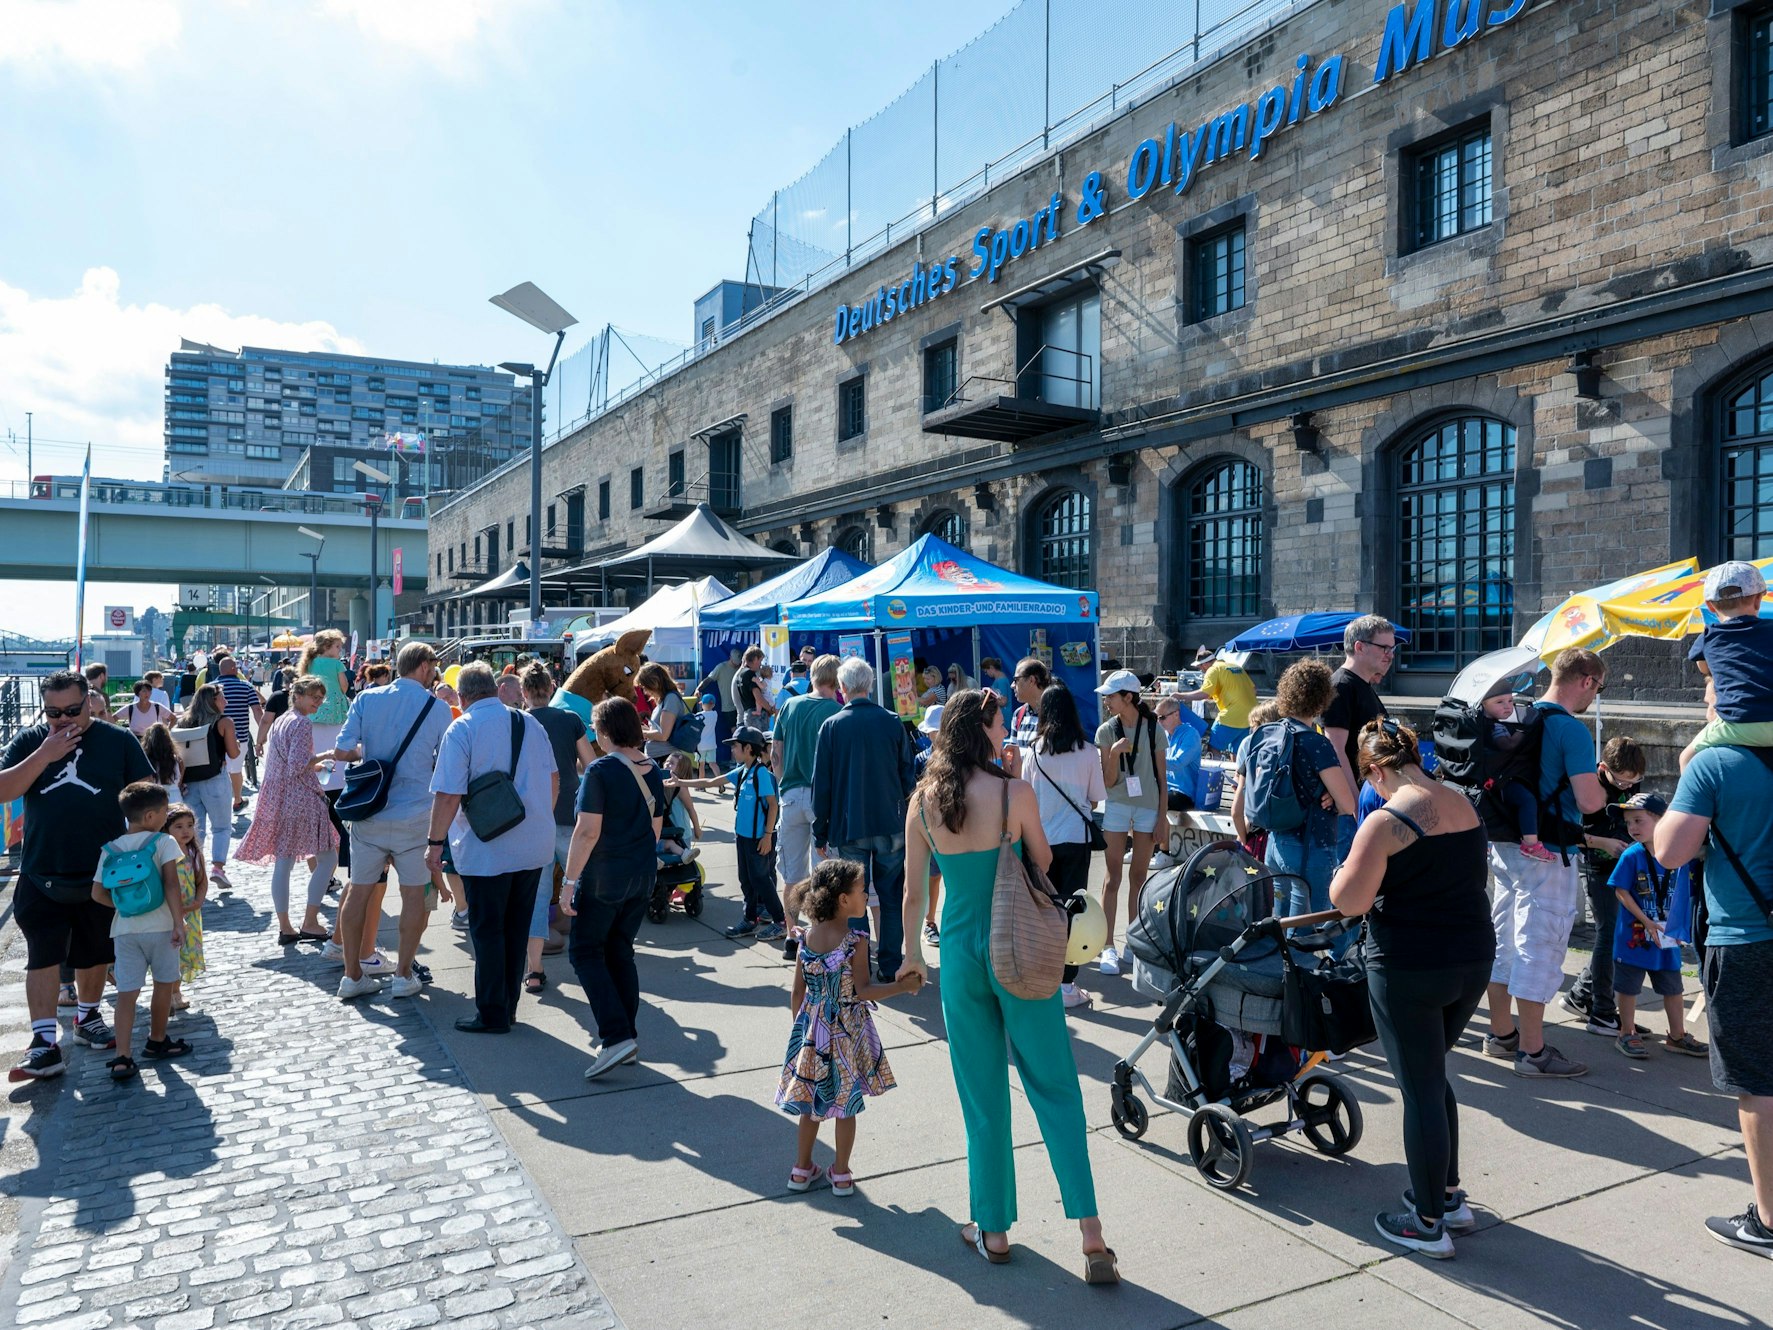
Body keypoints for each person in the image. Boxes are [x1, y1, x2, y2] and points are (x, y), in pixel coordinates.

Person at [900, 688, 1116, 1282]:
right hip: (1017, 946)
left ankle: (992, 1228)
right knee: (1054, 1085)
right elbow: (1042, 862)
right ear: (985, 732)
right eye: (1000, 725)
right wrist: (1012, 793)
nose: (1007, 733)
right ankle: (1091, 1233)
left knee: (982, 1095)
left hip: (961, 954)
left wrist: (909, 955)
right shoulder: (1012, 791)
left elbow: (915, 894)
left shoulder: (923, 802)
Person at [1328, 718, 1493, 1259]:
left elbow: (1348, 901)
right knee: (1432, 1074)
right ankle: (1446, 1196)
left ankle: (1427, 1221)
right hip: (1470, 956)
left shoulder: (1384, 820)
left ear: (1375, 769)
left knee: (1420, 1087)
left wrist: (1342, 872)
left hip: (1409, 964)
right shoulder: (1462, 802)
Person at [1654, 733, 1773, 1257]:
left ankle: (1769, 1222)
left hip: (1747, 937)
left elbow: (1669, 851)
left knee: (1759, 1083)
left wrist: (1692, 760)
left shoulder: (1717, 763)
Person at [2, 671, 152, 1080]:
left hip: (103, 872)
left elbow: (147, 793)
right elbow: (3, 790)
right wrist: (45, 755)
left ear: (90, 702)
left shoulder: (117, 740)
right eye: (53, 712)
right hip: (41, 869)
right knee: (43, 956)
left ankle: (87, 1019)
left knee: (94, 954)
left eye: (71, 710)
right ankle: (43, 1043)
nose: (62, 719)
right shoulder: (32, 740)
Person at [1485, 647, 1609, 1079]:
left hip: (1505, 844)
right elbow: (1590, 801)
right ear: (1587, 680)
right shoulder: (1569, 730)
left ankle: (1501, 1035)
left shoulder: (1520, 715)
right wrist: (1605, 793)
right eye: (1598, 687)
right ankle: (1534, 1053)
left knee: (1504, 936)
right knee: (1541, 941)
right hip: (1549, 849)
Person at [427, 662, 556, 1033]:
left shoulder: (462, 728)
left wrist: (435, 844)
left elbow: (449, 794)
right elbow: (553, 779)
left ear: (464, 697)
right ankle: (509, 1007)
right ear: (496, 689)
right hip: (533, 845)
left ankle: (492, 1013)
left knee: (487, 932)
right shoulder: (530, 723)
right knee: (516, 930)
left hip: (487, 849)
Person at [777, 859, 919, 1194]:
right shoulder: (855, 941)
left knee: (810, 1103)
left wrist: (804, 1032)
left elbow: (797, 993)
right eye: (860, 890)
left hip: (812, 1033)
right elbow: (864, 991)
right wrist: (902, 986)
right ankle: (840, 1174)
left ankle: (800, 1169)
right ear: (843, 900)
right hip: (847, 1033)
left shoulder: (806, 938)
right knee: (844, 1105)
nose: (864, 894)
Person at [329, 642, 453, 999]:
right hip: (415, 812)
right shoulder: (438, 708)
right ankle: (402, 975)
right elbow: (441, 760)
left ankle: (352, 976)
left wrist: (372, 755)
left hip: (369, 811)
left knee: (358, 890)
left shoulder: (367, 699)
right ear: (425, 668)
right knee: (413, 895)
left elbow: (341, 751)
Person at [560, 696, 667, 1078]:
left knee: (586, 953)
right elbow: (654, 829)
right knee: (620, 952)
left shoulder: (601, 771)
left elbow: (586, 831)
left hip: (605, 876)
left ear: (605, 731)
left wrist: (569, 882)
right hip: (641, 874)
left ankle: (616, 1035)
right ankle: (627, 1037)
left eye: (595, 727)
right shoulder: (651, 767)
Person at [812, 657, 917, 984]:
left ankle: (859, 967)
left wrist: (820, 831)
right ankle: (889, 964)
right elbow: (908, 777)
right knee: (890, 896)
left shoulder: (832, 726)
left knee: (852, 901)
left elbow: (822, 785)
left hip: (849, 826)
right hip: (891, 825)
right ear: (869, 686)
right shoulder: (892, 721)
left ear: (842, 689)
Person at [1236, 660, 1355, 927]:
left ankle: (1281, 969)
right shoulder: (1315, 742)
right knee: (1308, 926)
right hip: (1310, 844)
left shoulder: (1267, 734)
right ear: (1323, 697)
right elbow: (1348, 804)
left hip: (1275, 843)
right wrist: (1331, 795)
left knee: (1280, 921)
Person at [93, 781, 190, 1081]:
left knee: (126, 993)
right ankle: (157, 1040)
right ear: (150, 816)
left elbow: (97, 893)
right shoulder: (162, 843)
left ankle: (122, 1056)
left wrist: (126, 909)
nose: (166, 816)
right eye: (163, 812)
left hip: (124, 931)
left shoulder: (110, 849)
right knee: (163, 984)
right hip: (160, 927)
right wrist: (179, 922)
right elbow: (171, 885)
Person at [235, 674, 339, 950]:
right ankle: (310, 921)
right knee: (328, 859)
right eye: (314, 697)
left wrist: (314, 765)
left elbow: (288, 763)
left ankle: (286, 927)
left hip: (277, 797)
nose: (318, 702)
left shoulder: (282, 720)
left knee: (284, 864)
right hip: (300, 799)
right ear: (299, 696)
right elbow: (297, 765)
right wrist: (326, 756)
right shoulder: (302, 723)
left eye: (321, 697)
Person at [1021, 684, 1108, 1010]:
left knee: (1044, 908)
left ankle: (1043, 973)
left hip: (1040, 841)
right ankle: (1067, 983)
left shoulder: (1034, 752)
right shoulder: (1087, 751)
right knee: (1072, 911)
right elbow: (1096, 798)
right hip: (1076, 840)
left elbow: (1026, 797)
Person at [1605, 793, 1706, 1061]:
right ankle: (1626, 1032)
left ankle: (1676, 1035)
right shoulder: (1631, 855)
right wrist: (1646, 920)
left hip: (1666, 937)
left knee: (1673, 987)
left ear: (1662, 821)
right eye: (1629, 823)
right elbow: (1621, 891)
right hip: (1635, 936)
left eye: (1638, 820)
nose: (1632, 828)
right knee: (1628, 987)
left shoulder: (1679, 853)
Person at [1563, 736, 1647, 1036]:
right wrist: (1604, 843)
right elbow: (1569, 832)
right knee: (1608, 932)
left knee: (1618, 934)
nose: (1627, 788)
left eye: (1633, 782)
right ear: (1603, 768)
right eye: (1622, 782)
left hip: (1621, 864)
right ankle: (1601, 1012)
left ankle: (1579, 996)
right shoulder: (1588, 786)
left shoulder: (1629, 782)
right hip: (1595, 864)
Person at [523, 661, 595, 994]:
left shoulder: (518, 722)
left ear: (524, 691)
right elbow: (591, 766)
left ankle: (534, 970)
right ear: (551, 689)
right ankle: (595, 956)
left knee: (535, 897)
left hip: (532, 818)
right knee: (584, 883)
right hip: (568, 810)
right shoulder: (570, 720)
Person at [682, 725, 785, 940]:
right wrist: (680, 782)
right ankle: (750, 919)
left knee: (761, 879)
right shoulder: (742, 771)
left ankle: (780, 921)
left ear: (748, 748)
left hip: (759, 838)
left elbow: (773, 805)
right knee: (746, 879)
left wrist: (768, 835)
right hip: (743, 837)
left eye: (735, 746)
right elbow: (710, 781)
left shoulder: (761, 774)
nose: (732, 750)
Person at [1094, 669, 1165, 976]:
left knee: (1138, 877)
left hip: (1148, 808)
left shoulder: (1153, 728)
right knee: (1112, 878)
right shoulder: (1106, 731)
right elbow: (1108, 782)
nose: (1106, 700)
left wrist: (1163, 819)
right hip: (1119, 805)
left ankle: (1132, 944)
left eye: (1111, 695)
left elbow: (1162, 779)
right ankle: (1108, 945)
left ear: (1128, 697)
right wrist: (1112, 753)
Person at [1681, 560, 1773, 769]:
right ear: (1759, 600)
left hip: (1738, 725)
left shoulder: (1709, 635)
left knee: (1686, 759)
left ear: (1711, 606)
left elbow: (1704, 668)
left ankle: (1693, 800)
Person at [772, 655, 843, 927]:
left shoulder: (789, 705)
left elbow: (775, 752)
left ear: (811, 676)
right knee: (823, 872)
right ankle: (819, 933)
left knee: (792, 875)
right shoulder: (836, 711)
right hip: (821, 799)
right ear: (837, 681)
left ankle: (792, 935)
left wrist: (783, 784)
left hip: (790, 795)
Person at [1321, 615, 1395, 861]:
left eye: (1392, 648)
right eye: (1384, 647)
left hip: (1369, 802)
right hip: (1350, 813)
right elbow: (1335, 750)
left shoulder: (1362, 686)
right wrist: (1355, 807)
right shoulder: (1341, 686)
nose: (1390, 654)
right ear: (1359, 647)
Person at [174, 682, 241, 893]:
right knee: (221, 827)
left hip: (189, 782)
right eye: (222, 697)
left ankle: (193, 871)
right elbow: (234, 754)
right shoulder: (224, 723)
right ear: (213, 701)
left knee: (194, 830)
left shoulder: (182, 723)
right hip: (215, 780)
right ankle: (217, 868)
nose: (226, 701)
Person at [1479, 692, 1558, 862]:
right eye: (1499, 702)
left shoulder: (1481, 724)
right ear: (1483, 704)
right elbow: (1508, 745)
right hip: (1499, 780)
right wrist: (1524, 728)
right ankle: (1531, 844)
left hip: (1489, 780)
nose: (1507, 706)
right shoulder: (1494, 726)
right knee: (1527, 800)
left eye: (1510, 701)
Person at [1154, 695, 1208, 861]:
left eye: (1162, 717)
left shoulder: (1190, 734)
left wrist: (1152, 756)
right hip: (1167, 788)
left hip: (1184, 793)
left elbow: (1178, 762)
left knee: (1157, 801)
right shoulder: (1164, 734)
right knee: (1135, 797)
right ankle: (1142, 849)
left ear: (1176, 714)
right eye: (1156, 717)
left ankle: (1164, 854)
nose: (1159, 721)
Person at [163, 803, 207, 1004]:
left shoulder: (194, 852)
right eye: (178, 826)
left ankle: (176, 991)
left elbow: (201, 879)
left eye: (189, 825)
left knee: (185, 952)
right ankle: (171, 993)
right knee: (171, 953)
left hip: (190, 912)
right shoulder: (164, 853)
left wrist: (198, 900)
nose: (186, 830)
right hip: (169, 914)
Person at [1176, 650, 1256, 754]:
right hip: (1251, 715)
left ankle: (1217, 771)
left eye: (1200, 666)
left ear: (1205, 664)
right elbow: (1253, 690)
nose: (1200, 669)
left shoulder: (1213, 670)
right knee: (1238, 752)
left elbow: (1204, 693)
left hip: (1231, 716)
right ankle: (1238, 771)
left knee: (1213, 748)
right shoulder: (1236, 667)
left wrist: (1180, 696)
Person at [214, 654, 266, 811]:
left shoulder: (211, 687)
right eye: (236, 667)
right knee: (235, 769)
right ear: (232, 669)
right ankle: (237, 799)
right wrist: (261, 737)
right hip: (240, 737)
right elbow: (257, 710)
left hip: (214, 737)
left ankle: (220, 801)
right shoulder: (246, 686)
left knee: (218, 770)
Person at [694, 647, 744, 752]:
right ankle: (735, 759)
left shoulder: (741, 668)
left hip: (741, 706)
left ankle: (737, 759)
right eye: (735, 662)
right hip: (728, 707)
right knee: (735, 733)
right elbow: (708, 679)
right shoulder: (721, 667)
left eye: (738, 662)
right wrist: (698, 689)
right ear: (730, 658)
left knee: (740, 732)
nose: (737, 664)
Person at [1009, 657, 1052, 747]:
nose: (1012, 685)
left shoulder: (1055, 714)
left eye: (1016, 680)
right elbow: (1013, 755)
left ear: (1031, 680)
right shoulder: (1018, 715)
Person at [732, 646, 775, 732]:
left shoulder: (739, 675)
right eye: (760, 661)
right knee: (759, 743)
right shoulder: (750, 674)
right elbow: (758, 698)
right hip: (754, 717)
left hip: (743, 717)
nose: (760, 665)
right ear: (755, 659)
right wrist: (770, 710)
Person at [142, 722, 182, 807]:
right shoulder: (175, 759)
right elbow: (178, 780)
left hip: (154, 796)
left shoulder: (146, 760)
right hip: (174, 795)